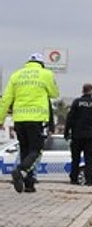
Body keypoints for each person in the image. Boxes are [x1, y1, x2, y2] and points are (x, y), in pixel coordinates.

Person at [0, 53, 60, 193]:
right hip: (36, 118)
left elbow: (6, 99)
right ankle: (20, 170)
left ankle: (28, 184)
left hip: (19, 119)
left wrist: (1, 119)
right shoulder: (46, 74)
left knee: (25, 150)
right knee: (36, 150)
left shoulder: (16, 75)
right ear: (41, 64)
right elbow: (55, 93)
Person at [64, 83, 92, 186]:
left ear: (82, 91)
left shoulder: (77, 102)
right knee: (89, 159)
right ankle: (89, 180)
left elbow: (70, 118)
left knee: (75, 159)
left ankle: (74, 179)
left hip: (77, 135)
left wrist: (66, 132)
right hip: (91, 136)